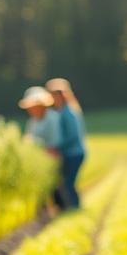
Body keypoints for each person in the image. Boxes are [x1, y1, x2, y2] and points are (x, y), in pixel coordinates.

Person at [47, 78, 87, 210]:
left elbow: (72, 136)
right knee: (66, 183)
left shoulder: (68, 112)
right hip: (71, 152)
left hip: (73, 153)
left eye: (53, 95)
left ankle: (74, 208)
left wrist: (57, 146)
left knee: (68, 183)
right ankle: (71, 208)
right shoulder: (62, 111)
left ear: (60, 95)